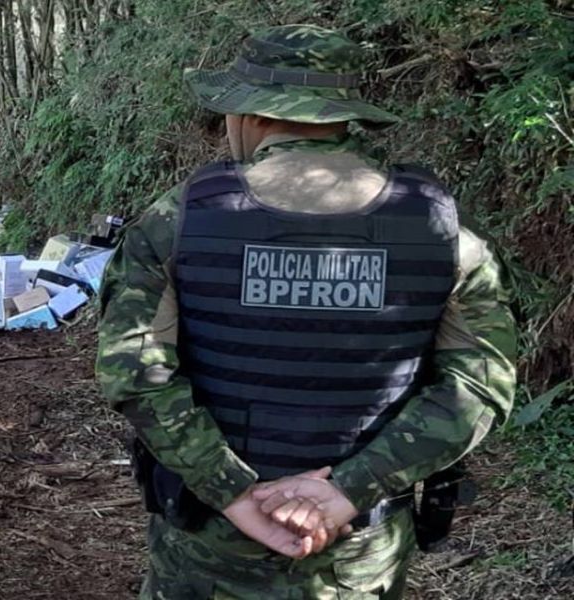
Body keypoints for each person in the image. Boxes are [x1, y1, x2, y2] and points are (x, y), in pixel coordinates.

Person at [96, 24, 517, 599]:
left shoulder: (177, 220)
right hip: (359, 549)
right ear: (344, 116)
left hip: (208, 546)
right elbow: (479, 386)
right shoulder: (442, 231)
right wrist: (347, 490)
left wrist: (234, 493)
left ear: (249, 115)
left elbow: (136, 374)